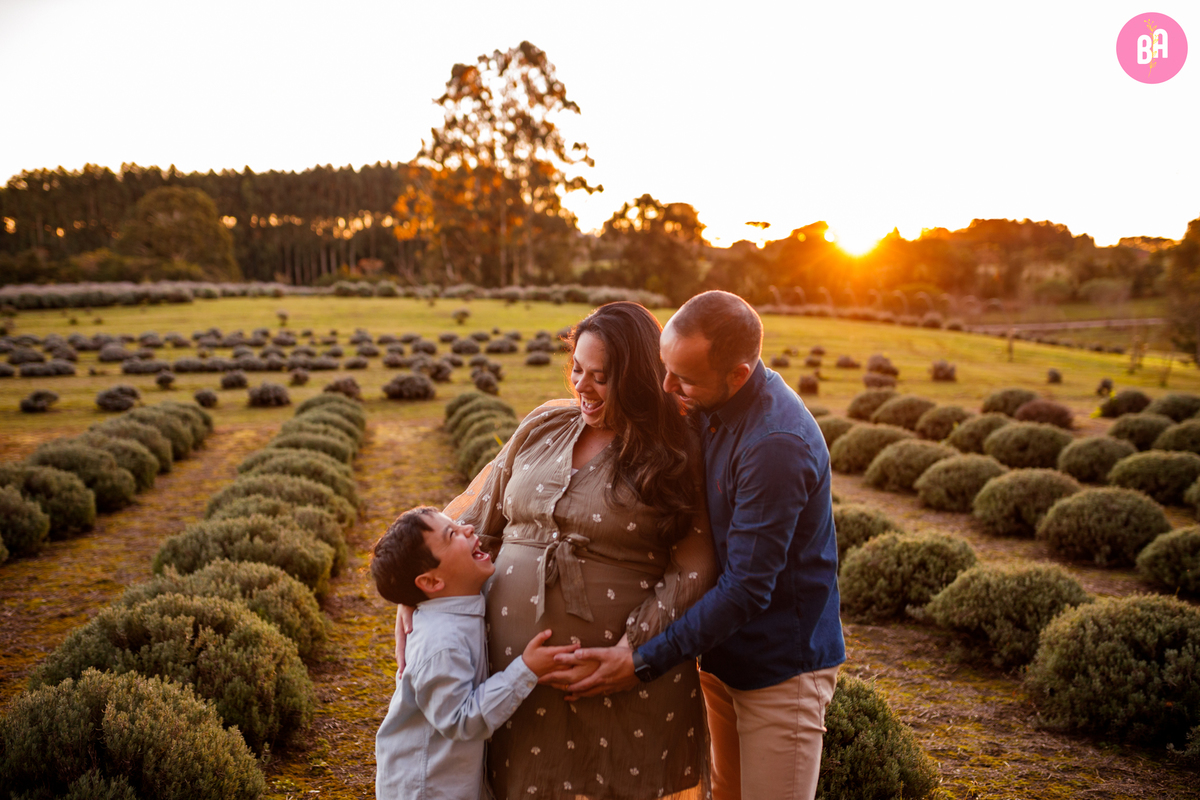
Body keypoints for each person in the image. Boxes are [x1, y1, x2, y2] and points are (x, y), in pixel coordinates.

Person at [405, 301, 719, 799]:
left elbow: (694, 564)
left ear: (638, 378)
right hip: (515, 684)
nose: (582, 386)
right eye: (577, 369)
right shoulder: (545, 425)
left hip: (618, 682)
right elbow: (479, 519)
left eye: (601, 376)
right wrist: (419, 589)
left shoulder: (675, 448)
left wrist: (630, 651)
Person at [554, 291, 846, 800]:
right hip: (719, 658)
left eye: (682, 378)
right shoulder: (706, 397)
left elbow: (746, 589)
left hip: (780, 673)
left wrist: (641, 660)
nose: (666, 387)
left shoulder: (775, 444)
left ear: (737, 374)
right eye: (665, 368)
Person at [371, 506, 580, 800]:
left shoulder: (461, 601)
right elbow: (461, 720)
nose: (468, 529)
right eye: (452, 534)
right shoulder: (441, 643)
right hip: (425, 788)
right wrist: (526, 670)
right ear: (431, 582)